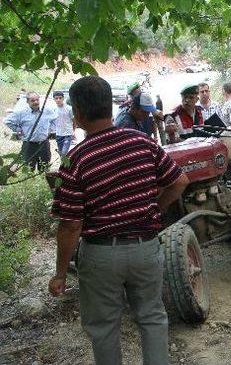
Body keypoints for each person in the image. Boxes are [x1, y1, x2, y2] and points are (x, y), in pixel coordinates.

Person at [48, 75, 189, 365]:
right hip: (145, 248)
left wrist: (61, 273)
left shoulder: (74, 159)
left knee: (103, 327)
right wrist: (154, 209)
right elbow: (179, 181)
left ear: (77, 113)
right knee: (152, 318)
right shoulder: (143, 143)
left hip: (101, 255)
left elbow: (71, 224)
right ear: (111, 108)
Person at [4, 92, 57, 171]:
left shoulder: (46, 110)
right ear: (27, 102)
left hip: (44, 144)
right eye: (32, 100)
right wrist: (18, 129)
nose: (36, 102)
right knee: (28, 169)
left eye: (37, 100)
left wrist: (50, 129)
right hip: (29, 145)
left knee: (44, 168)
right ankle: (29, 182)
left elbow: (55, 119)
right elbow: (7, 121)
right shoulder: (21, 112)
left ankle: (43, 182)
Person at [53, 90, 76, 156]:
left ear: (63, 98)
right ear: (54, 99)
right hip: (58, 134)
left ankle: (65, 165)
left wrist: (73, 130)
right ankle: (65, 165)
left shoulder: (69, 108)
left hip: (67, 134)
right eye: (56, 98)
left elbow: (74, 120)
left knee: (64, 152)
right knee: (61, 154)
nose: (58, 100)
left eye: (60, 98)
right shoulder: (53, 109)